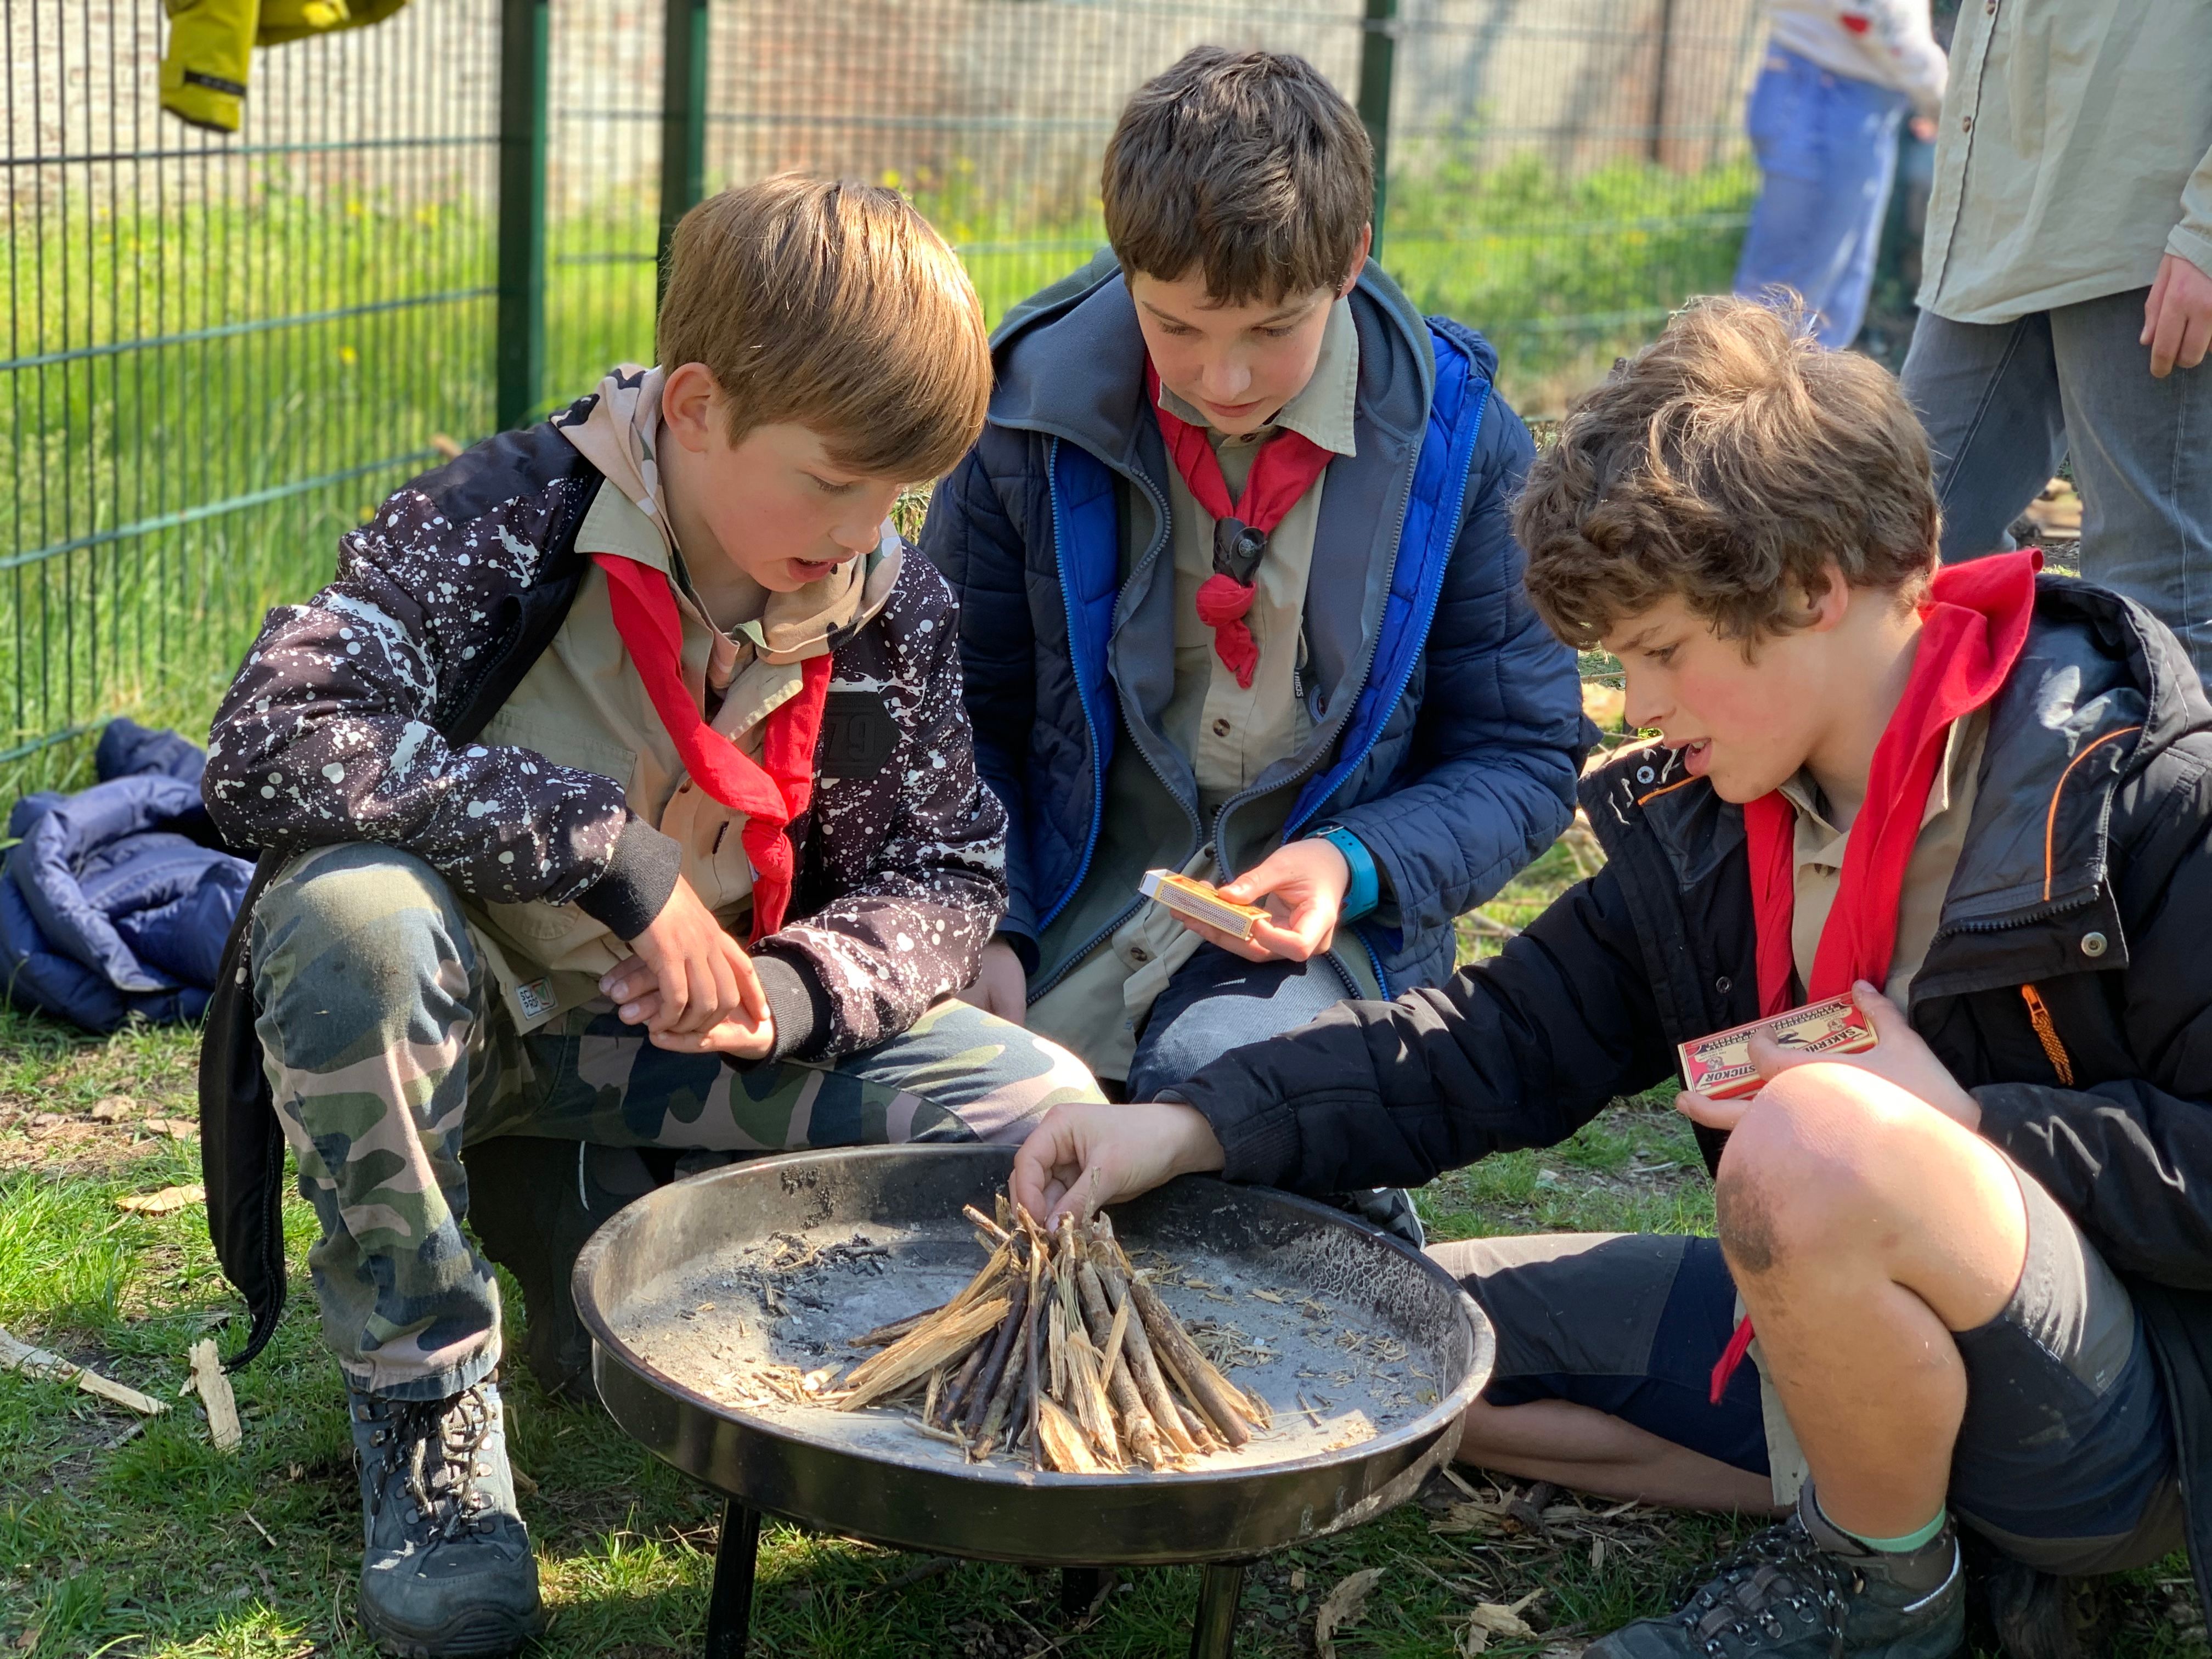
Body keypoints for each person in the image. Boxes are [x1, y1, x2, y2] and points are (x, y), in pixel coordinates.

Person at [1012, 297, 2210, 1659]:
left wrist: (1975, 1133)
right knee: (1406, 1352)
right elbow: (1483, 1044)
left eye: (1662, 654)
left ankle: (1881, 1600)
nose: (1636, 709)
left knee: (1820, 1139)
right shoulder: (1716, 817)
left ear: (1815, 587)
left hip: (2126, 1422)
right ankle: (1918, 1522)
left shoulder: (2139, 801)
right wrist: (1179, 1124)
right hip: (1832, 1321)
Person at [194, 177, 1103, 1658]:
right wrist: (601, 849)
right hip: (465, 1053)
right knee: (342, 920)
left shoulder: (888, 601)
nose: (867, 528)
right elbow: (268, 739)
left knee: (1042, 1110)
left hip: (694, 1067)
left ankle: (824, 1364)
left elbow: (950, 878)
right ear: (693, 406)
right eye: (833, 482)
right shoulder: (502, 517)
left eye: (901, 494)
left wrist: (798, 990)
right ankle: (432, 1416)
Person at [922, 47, 1589, 1243]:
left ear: (1352, 256)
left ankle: (1353, 1203)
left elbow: (1526, 754)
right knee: (954, 1151)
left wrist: (1352, 862)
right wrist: (994, 921)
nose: (1222, 377)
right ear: (1124, 265)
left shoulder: (1464, 445)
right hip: (1068, 910)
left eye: (1271, 333)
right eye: (1174, 326)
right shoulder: (1021, 416)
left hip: (1311, 948)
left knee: (1211, 1091)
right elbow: (961, 720)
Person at [1901, 0, 2212, 679]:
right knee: (1898, 541)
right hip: (1995, 220)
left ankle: (2167, 786)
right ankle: (2026, 773)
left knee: (2159, 606)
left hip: (2147, 229)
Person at [1731, 0, 1946, 349]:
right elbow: (1876, 12)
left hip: (1841, 89)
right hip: (1831, 91)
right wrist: (1944, 97)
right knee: (1777, 315)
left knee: (1823, 315)